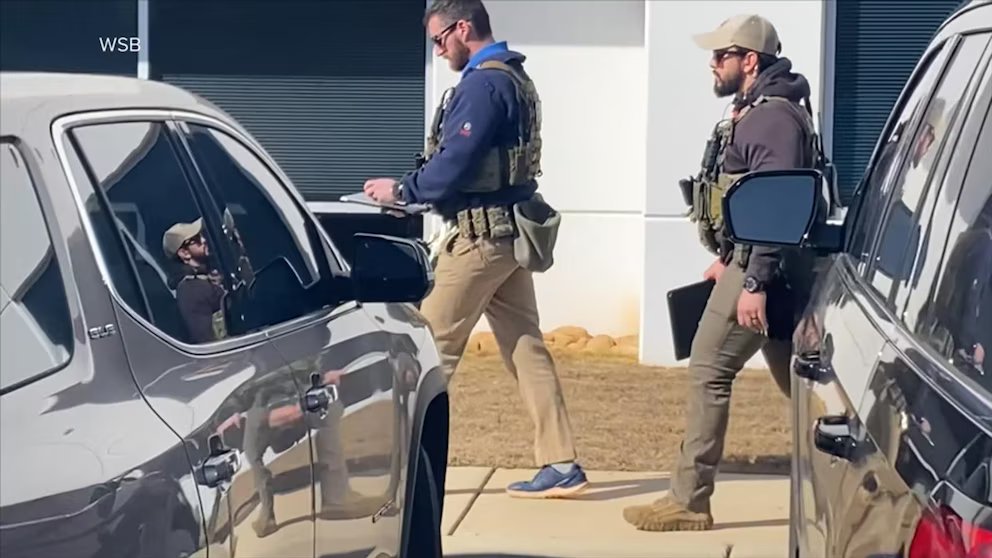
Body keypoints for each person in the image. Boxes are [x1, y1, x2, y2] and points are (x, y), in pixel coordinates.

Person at [362, 0, 588, 498]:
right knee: (525, 346)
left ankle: (394, 464)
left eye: (440, 40)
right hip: (508, 235)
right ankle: (561, 460)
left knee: (428, 347)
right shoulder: (512, 76)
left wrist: (402, 192)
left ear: (463, 28)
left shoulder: (483, 84)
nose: (439, 50)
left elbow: (456, 160)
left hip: (482, 239)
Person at [624, 14, 824, 531]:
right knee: (802, 389)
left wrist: (752, 279)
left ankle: (689, 500)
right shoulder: (760, 110)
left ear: (749, 60)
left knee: (710, 370)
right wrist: (728, 256)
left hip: (763, 270)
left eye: (721, 56)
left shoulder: (772, 118)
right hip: (754, 262)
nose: (712, 64)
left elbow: (777, 205)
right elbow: (753, 199)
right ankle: (853, 479)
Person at [162, 218, 227, 344]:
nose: (204, 240)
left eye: (201, 236)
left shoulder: (208, 277)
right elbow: (206, 340)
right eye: (196, 240)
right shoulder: (190, 291)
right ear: (184, 253)